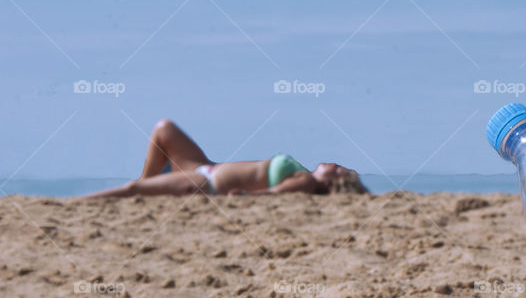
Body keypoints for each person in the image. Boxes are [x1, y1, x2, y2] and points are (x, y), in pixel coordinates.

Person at [84, 119, 367, 197]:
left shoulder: (306, 182)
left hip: (205, 183)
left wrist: (245, 196)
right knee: (164, 129)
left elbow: (275, 193)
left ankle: (83, 202)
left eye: (338, 170)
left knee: (131, 189)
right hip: (206, 169)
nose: (333, 163)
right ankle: (143, 195)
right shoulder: (303, 175)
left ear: (332, 184)